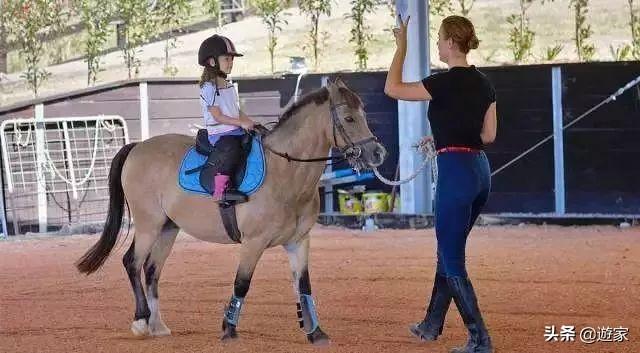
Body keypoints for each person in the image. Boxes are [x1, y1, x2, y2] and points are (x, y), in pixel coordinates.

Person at [384, 15, 498, 353]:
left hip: (455, 174)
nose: (436, 44)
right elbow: (488, 135)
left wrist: (401, 46)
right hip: (479, 171)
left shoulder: (442, 82)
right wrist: (444, 138)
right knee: (447, 248)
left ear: (450, 42)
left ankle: (480, 340)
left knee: (451, 257)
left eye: (438, 38)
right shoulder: (484, 83)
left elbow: (392, 88)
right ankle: (431, 324)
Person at [198, 34, 256, 202]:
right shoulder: (208, 88)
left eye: (232, 59)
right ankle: (220, 191)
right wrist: (240, 123)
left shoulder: (229, 86)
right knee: (231, 148)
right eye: (226, 59)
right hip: (220, 135)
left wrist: (250, 122)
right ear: (212, 62)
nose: (230, 63)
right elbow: (218, 116)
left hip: (235, 130)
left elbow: (236, 111)